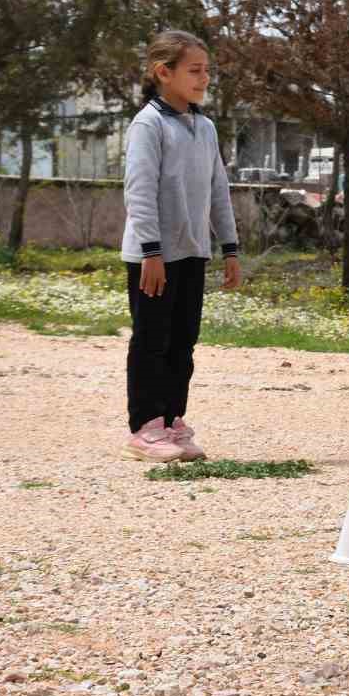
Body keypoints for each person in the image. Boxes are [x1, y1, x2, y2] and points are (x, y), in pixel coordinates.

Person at [120, 30, 242, 462]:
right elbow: (139, 191)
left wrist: (229, 248)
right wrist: (151, 252)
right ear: (163, 72)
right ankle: (145, 427)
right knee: (152, 340)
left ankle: (172, 421)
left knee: (183, 342)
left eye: (207, 70)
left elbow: (217, 192)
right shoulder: (148, 125)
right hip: (153, 257)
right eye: (194, 70)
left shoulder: (204, 127)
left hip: (192, 252)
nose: (204, 78)